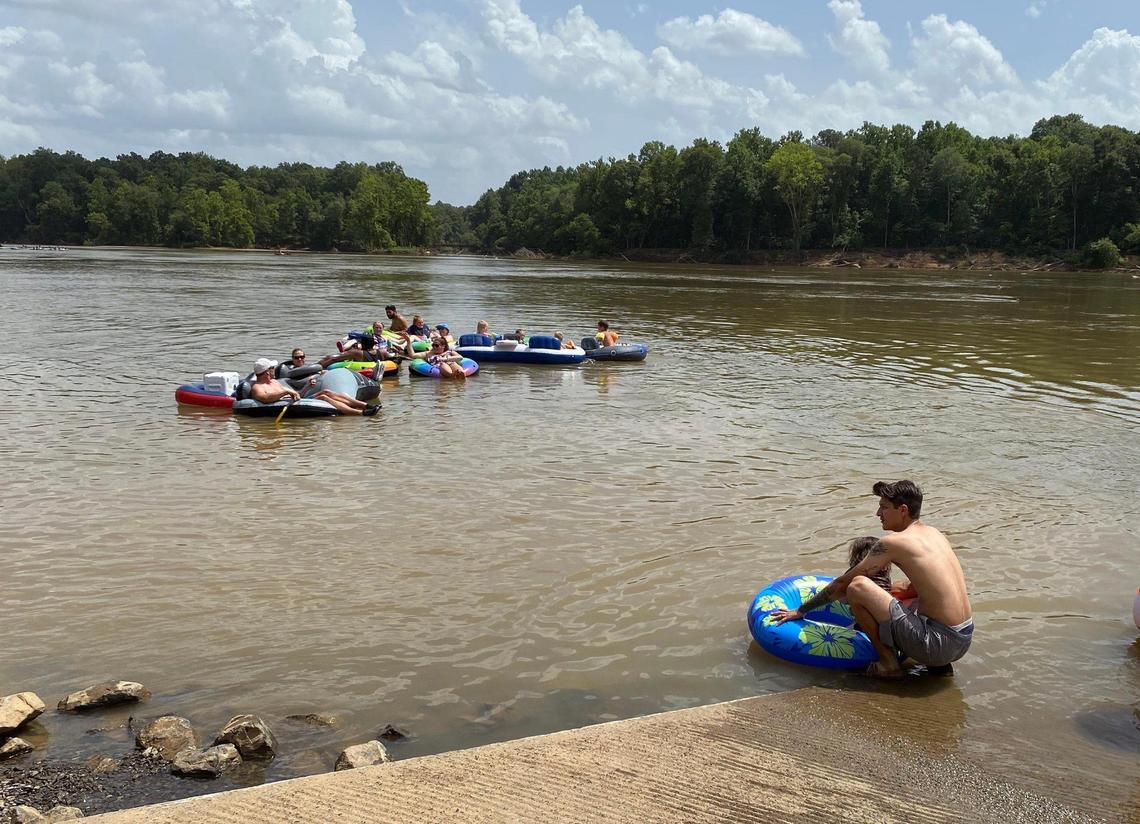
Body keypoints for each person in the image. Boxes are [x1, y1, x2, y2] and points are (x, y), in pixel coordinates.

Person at [770, 480, 972, 679]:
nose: (878, 514)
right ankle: (939, 668)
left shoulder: (893, 542)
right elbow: (927, 589)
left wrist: (800, 610)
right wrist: (892, 593)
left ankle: (888, 664)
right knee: (913, 595)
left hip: (935, 644)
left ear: (902, 510)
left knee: (858, 587)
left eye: (883, 508)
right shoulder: (934, 535)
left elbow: (843, 584)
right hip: (962, 639)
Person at [401, 335, 467, 379]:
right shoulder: (428, 354)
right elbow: (412, 355)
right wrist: (408, 341)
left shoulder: (450, 352)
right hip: (440, 365)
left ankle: (461, 374)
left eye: (437, 345)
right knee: (442, 364)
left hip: (450, 362)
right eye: (433, 345)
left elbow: (460, 357)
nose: (434, 347)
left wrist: (446, 359)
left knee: (453, 364)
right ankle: (451, 375)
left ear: (443, 346)